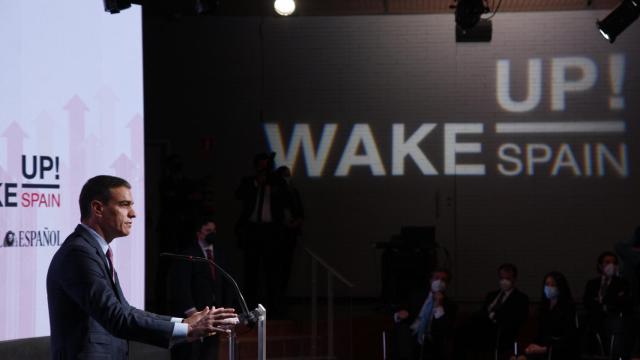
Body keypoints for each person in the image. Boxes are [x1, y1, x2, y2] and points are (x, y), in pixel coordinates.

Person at [47, 175, 239, 359]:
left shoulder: (93, 250)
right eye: (124, 205)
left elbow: (126, 310)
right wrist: (188, 329)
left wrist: (183, 322)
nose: (134, 213)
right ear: (98, 208)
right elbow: (117, 318)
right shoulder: (78, 253)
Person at [167, 217, 232, 360]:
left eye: (214, 231)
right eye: (208, 231)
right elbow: (181, 286)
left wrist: (225, 312)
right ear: (199, 233)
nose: (212, 234)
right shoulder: (187, 254)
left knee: (209, 354)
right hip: (191, 315)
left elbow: (225, 285)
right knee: (188, 354)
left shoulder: (221, 254)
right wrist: (193, 313)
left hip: (214, 315)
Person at [235, 153, 290, 316]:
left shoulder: (278, 182)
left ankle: (274, 307)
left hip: (271, 232)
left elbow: (287, 198)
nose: (263, 169)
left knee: (272, 271)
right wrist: (255, 183)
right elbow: (238, 195)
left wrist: (272, 186)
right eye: (260, 165)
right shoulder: (248, 181)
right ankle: (248, 307)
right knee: (250, 271)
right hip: (252, 230)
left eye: (266, 165)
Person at [454, 263, 530, 360]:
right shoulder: (492, 295)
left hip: (501, 332)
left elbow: (517, 319)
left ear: (514, 279)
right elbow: (483, 312)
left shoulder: (521, 298)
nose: (504, 281)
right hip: (483, 328)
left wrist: (495, 316)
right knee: (462, 331)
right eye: (502, 278)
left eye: (507, 278)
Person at [392, 269, 458, 360]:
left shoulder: (450, 305)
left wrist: (438, 305)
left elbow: (446, 329)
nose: (439, 282)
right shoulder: (415, 295)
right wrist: (399, 315)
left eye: (443, 279)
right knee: (402, 333)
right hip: (412, 335)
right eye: (437, 278)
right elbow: (399, 312)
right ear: (430, 280)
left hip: (431, 341)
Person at [582, 251, 632, 358]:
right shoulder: (592, 283)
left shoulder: (622, 283)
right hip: (595, 321)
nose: (611, 265)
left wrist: (602, 301)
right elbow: (587, 302)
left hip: (614, 321)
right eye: (607, 262)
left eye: (614, 263)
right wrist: (603, 304)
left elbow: (622, 303)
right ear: (600, 265)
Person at [517, 271, 577, 360]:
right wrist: (533, 346)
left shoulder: (568, 307)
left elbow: (570, 338)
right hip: (543, 348)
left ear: (560, 287)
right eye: (547, 284)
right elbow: (540, 332)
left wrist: (545, 349)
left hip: (559, 351)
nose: (549, 287)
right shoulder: (543, 308)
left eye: (552, 285)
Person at [275, 166, 304, 305]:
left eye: (288, 175)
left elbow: (301, 213)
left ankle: (282, 296)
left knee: (287, 268)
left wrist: (296, 222)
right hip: (277, 236)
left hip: (290, 236)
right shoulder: (275, 193)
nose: (287, 178)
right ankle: (276, 297)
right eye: (284, 175)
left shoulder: (294, 192)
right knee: (277, 268)